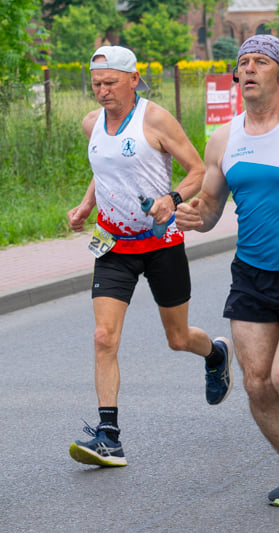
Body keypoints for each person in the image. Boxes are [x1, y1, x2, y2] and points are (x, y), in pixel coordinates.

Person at [66, 46, 233, 468]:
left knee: (177, 338)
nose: (101, 92)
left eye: (109, 83)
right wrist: (87, 205)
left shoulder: (154, 119)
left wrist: (171, 197)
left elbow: (198, 170)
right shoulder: (92, 124)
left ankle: (214, 354)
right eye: (96, 84)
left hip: (161, 243)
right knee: (104, 337)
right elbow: (102, 168)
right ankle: (109, 436)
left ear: (133, 79)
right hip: (114, 245)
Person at [176, 35, 279, 507]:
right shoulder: (225, 137)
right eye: (242, 62)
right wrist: (193, 215)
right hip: (252, 274)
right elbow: (209, 208)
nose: (248, 68)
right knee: (256, 382)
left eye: (260, 61)